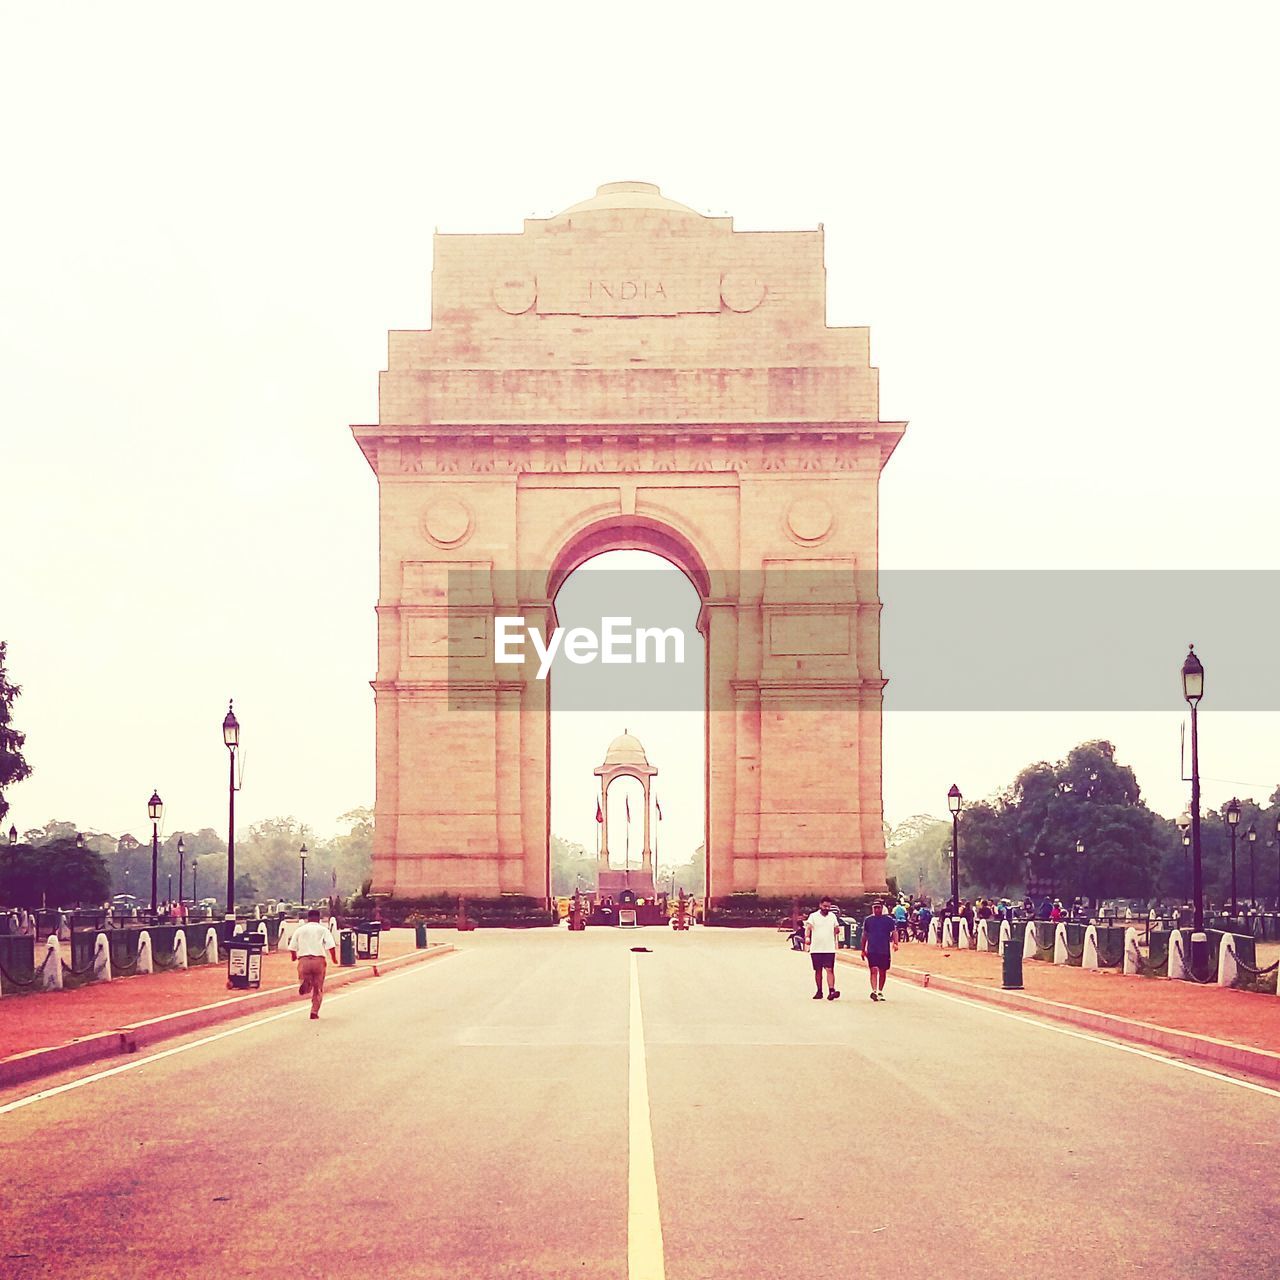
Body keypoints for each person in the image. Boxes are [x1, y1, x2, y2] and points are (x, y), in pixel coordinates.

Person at [289, 908, 338, 1019]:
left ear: (307, 918)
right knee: (318, 988)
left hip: (304, 959)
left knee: (303, 977)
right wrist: (334, 959)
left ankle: (305, 982)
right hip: (318, 960)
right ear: (319, 918)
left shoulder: (300, 930)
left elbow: (292, 947)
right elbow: (331, 946)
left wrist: (293, 957)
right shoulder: (323, 929)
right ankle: (314, 1012)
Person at [803, 896, 841, 1000]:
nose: (827, 908)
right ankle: (819, 991)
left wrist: (837, 931)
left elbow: (836, 928)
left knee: (830, 969)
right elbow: (808, 928)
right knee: (818, 970)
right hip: (816, 948)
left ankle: (831, 990)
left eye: (828, 907)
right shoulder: (813, 916)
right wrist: (807, 938)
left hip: (829, 948)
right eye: (825, 906)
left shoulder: (833, 916)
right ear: (820, 905)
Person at [861, 899, 899, 1001]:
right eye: (875, 908)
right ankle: (874, 990)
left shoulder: (888, 920)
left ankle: (880, 991)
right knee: (873, 970)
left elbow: (894, 932)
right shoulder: (868, 920)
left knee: (883, 971)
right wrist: (863, 949)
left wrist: (896, 943)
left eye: (879, 907)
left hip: (884, 949)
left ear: (882, 908)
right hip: (872, 949)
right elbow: (864, 935)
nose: (877, 909)